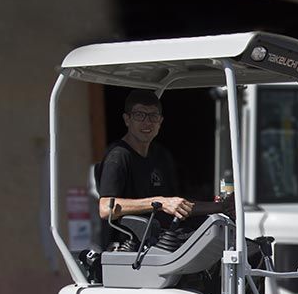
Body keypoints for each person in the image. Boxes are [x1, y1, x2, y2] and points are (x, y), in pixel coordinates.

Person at [97, 89, 230, 235]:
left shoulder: (161, 155)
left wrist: (222, 207)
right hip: (130, 250)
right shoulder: (118, 156)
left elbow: (177, 204)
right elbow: (105, 208)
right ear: (127, 119)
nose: (147, 122)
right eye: (139, 115)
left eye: (153, 116)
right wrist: (159, 203)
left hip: (163, 242)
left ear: (160, 121)